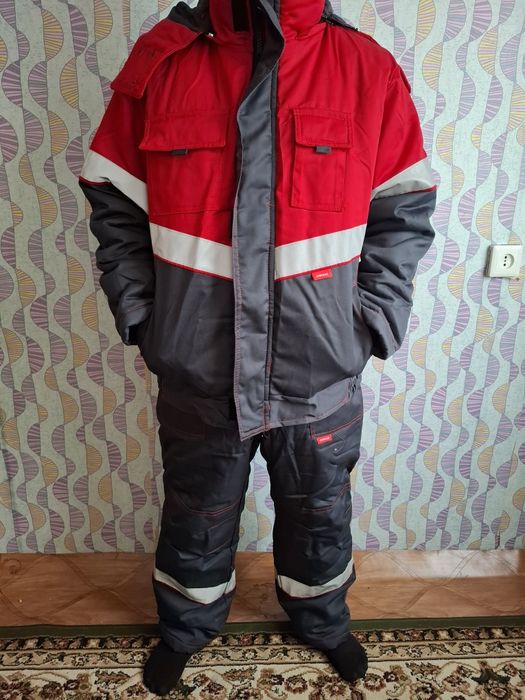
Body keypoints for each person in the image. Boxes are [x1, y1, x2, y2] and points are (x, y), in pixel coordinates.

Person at [79, 0, 437, 694]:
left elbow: (403, 208)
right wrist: (144, 317)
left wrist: (371, 321)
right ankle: (185, 628)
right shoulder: (162, 67)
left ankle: (323, 622)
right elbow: (113, 198)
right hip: (199, 367)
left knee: (320, 510)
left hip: (321, 368)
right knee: (196, 510)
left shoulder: (366, 69)